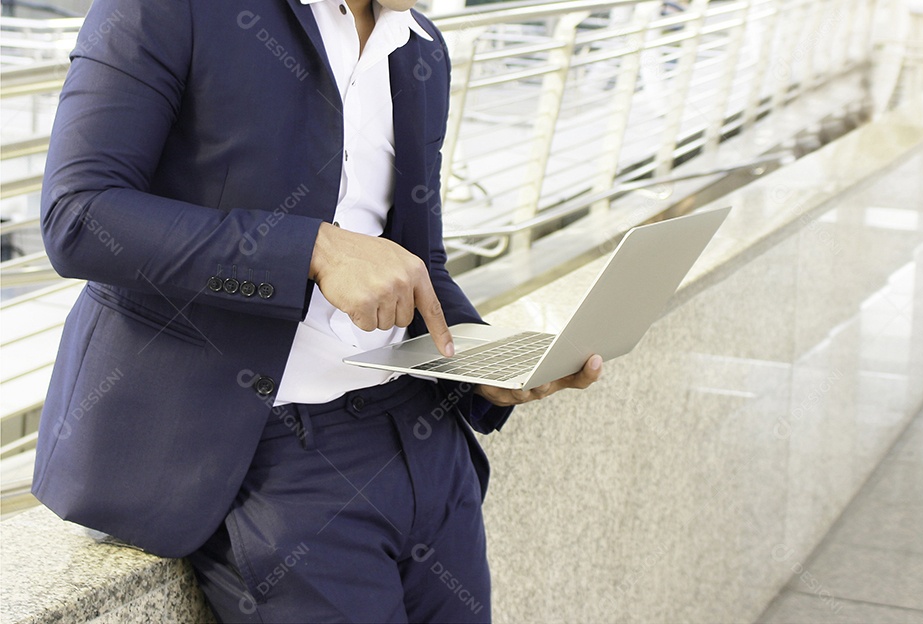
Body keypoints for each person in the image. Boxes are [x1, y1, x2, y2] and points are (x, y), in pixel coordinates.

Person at [32, 0, 601, 621]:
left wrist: (479, 358)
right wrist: (310, 249)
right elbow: (79, 216)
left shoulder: (418, 46)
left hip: (422, 442)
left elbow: (416, 258)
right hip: (266, 456)